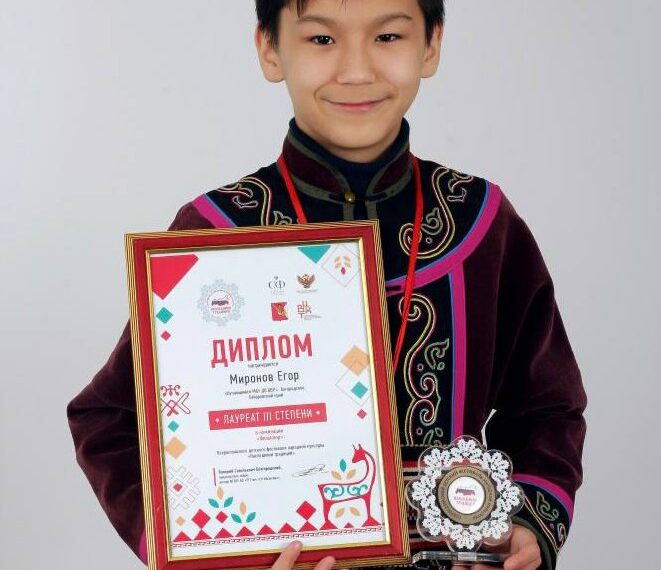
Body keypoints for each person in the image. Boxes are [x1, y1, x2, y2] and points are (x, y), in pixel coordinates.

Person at [67, 1, 587, 569]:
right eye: (321, 40)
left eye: (388, 37)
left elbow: (548, 406)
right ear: (269, 49)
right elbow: (108, 417)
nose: (356, 70)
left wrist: (530, 522)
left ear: (432, 45)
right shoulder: (215, 235)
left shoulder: (480, 222)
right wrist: (204, 557)